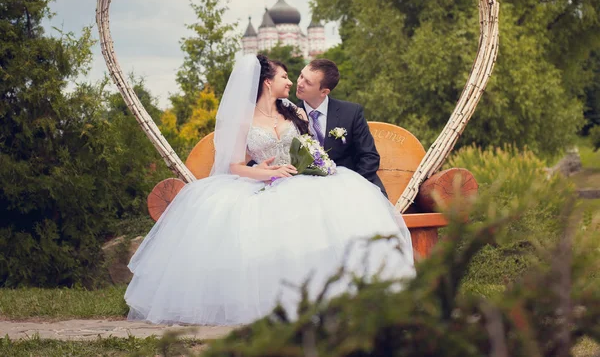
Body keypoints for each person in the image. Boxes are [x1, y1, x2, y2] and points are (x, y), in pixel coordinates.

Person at [125, 54, 414, 326]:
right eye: (286, 77)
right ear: (267, 82)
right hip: (264, 182)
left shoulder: (292, 111)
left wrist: (312, 165)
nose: (292, 82)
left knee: (324, 217)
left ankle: (333, 297)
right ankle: (272, 303)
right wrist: (265, 172)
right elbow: (235, 165)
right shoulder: (242, 118)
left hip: (301, 180)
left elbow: (308, 148)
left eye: (298, 78)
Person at [296, 59, 387, 197]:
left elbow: (369, 156)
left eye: (308, 82)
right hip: (308, 189)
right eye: (301, 76)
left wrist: (353, 187)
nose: (299, 83)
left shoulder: (351, 112)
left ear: (324, 91)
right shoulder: (289, 113)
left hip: (352, 184)